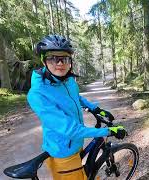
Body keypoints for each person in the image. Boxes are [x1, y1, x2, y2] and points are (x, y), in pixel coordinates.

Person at [27, 34, 126, 180]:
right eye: (53, 58)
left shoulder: (67, 80)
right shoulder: (38, 94)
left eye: (64, 58)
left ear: (70, 61)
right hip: (63, 152)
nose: (60, 63)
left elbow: (76, 97)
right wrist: (108, 131)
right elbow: (70, 130)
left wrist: (95, 108)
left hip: (75, 144)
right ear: (43, 60)